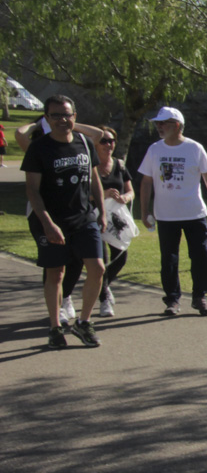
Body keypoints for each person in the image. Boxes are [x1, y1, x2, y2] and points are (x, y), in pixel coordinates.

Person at [21, 95, 107, 348]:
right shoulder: (39, 148)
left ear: (75, 117)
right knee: (56, 273)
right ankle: (55, 328)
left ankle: (83, 322)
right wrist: (47, 223)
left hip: (83, 217)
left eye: (67, 114)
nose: (62, 120)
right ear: (46, 118)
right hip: (51, 219)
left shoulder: (83, 142)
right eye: (56, 115)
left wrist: (101, 211)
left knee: (98, 268)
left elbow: (94, 180)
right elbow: (32, 191)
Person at [138, 106, 207, 316]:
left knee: (201, 256)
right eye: (157, 123)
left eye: (163, 123)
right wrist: (144, 211)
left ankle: (199, 297)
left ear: (176, 125)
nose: (159, 127)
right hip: (166, 216)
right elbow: (146, 181)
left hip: (194, 214)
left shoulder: (194, 148)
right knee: (169, 259)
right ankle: (173, 300)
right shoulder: (155, 149)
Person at [94, 126, 134, 317]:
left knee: (121, 257)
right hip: (94, 218)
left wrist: (124, 198)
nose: (108, 145)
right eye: (104, 141)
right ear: (95, 143)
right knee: (102, 260)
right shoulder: (90, 166)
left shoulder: (119, 164)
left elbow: (130, 190)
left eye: (111, 141)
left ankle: (103, 286)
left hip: (116, 219)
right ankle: (104, 300)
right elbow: (82, 195)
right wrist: (103, 194)